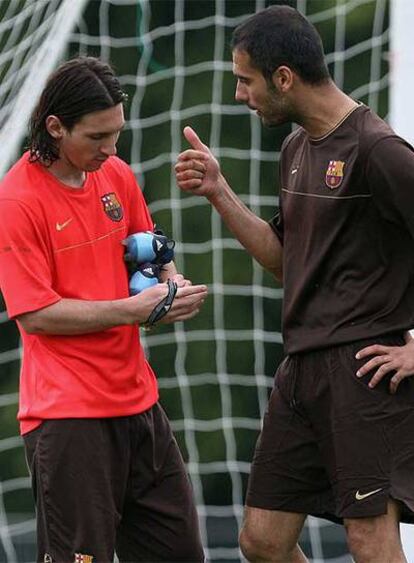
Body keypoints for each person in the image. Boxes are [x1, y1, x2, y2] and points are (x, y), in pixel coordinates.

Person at [175, 5, 414, 563]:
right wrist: (218, 191)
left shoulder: (378, 150)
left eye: (244, 80)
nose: (240, 95)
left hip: (364, 372)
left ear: (283, 77)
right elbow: (287, 263)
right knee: (262, 541)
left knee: (370, 540)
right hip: (300, 370)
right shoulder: (296, 149)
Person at [0, 56, 207, 563]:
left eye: (116, 133)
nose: (111, 149)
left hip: (139, 405)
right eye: (96, 137)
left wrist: (172, 284)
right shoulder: (15, 202)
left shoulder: (114, 173)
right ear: (55, 127)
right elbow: (36, 314)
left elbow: (152, 247)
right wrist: (134, 310)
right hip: (68, 418)